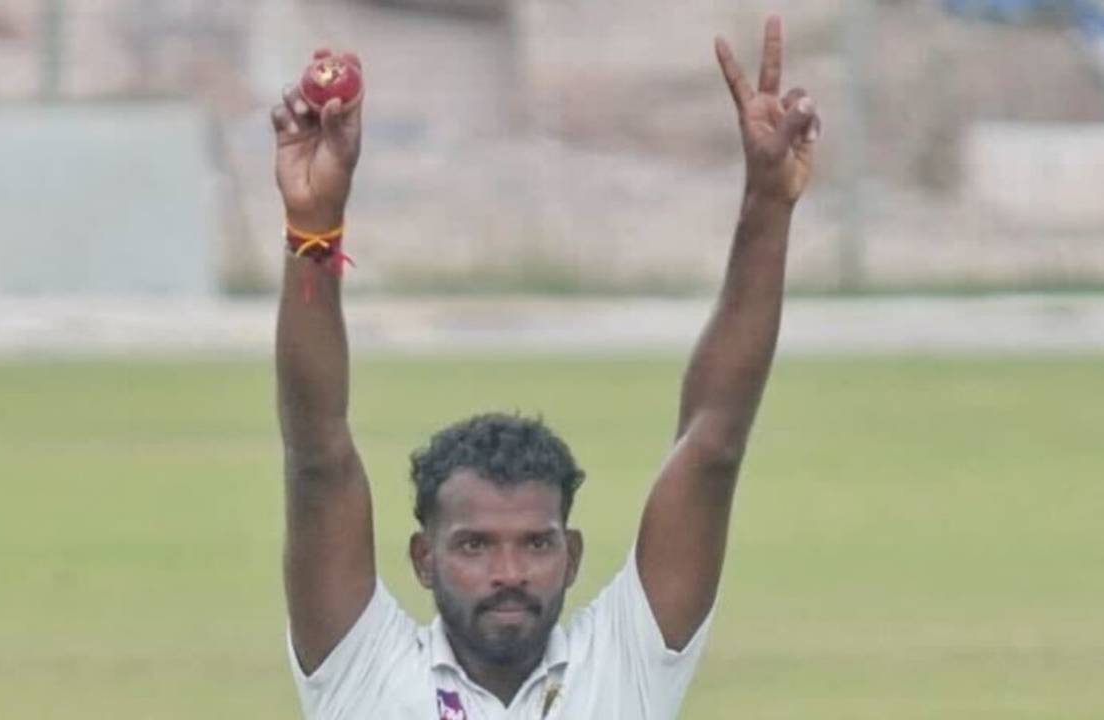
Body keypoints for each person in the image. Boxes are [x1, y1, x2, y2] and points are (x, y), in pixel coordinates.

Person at [269, 15, 820, 719]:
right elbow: (317, 452)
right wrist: (315, 224)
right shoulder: (361, 666)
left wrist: (769, 205)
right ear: (422, 559)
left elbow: (713, 442)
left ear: (573, 554)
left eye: (536, 542)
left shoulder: (626, 662)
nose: (509, 574)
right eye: (473, 545)